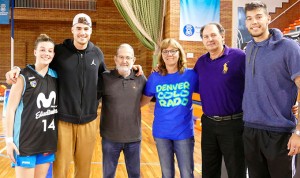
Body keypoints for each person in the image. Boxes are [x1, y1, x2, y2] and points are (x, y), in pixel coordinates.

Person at [242, 1, 300, 178]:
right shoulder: (249, 48)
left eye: (259, 16)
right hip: (251, 130)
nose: (254, 22)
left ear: (268, 18)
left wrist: (298, 132)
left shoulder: (289, 48)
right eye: (249, 18)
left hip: (279, 133)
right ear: (246, 23)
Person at [194, 23, 246, 178]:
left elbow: (257, 81)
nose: (210, 39)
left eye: (213, 35)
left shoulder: (239, 57)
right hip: (208, 124)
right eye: (206, 36)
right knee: (209, 171)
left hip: (233, 125)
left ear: (222, 36)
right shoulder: (201, 62)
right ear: (202, 40)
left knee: (236, 171)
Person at [141, 38, 197, 178]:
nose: (169, 54)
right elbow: (143, 101)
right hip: (161, 133)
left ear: (179, 53)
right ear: (161, 55)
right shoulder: (155, 77)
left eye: (173, 50)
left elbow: (209, 92)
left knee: (186, 174)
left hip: (184, 133)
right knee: (166, 174)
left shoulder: (191, 75)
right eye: (165, 51)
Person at [5, 34, 57, 178]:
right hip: (25, 143)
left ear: (53, 54)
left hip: (46, 142)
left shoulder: (56, 77)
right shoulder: (22, 77)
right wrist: (9, 140)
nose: (46, 53)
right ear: (35, 52)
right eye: (42, 49)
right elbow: (10, 110)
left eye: (50, 50)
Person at [99, 43, 146, 178]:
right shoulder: (105, 78)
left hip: (133, 138)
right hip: (110, 138)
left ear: (133, 60)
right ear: (115, 59)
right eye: (121, 57)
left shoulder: (140, 78)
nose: (124, 61)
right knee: (108, 175)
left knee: (135, 175)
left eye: (128, 58)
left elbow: (148, 96)